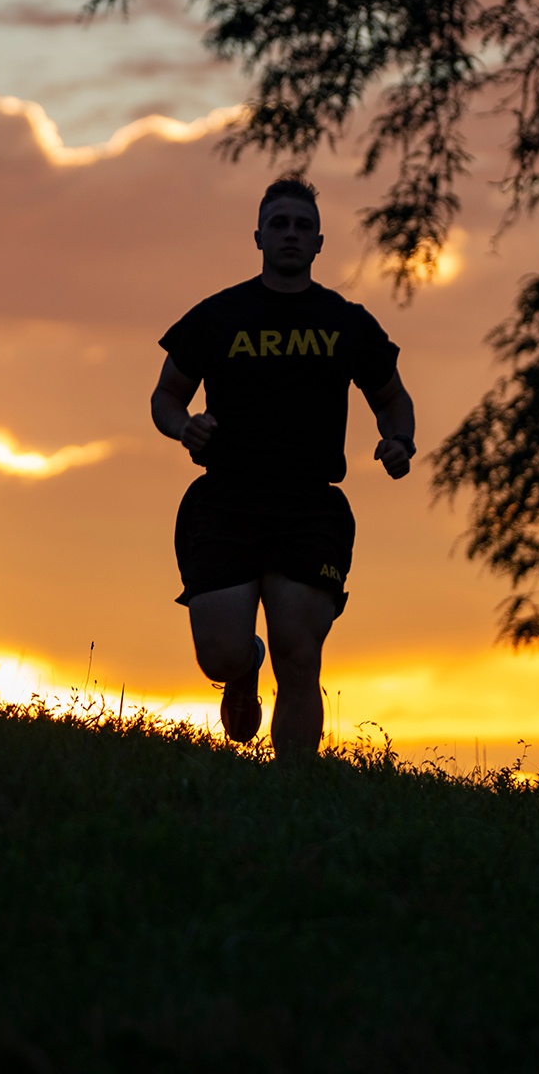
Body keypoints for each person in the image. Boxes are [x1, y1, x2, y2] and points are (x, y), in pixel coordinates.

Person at [152, 178, 416, 761]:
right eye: (279, 224)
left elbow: (393, 398)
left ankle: (294, 788)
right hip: (226, 500)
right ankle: (244, 665)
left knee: (299, 656)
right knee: (218, 655)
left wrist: (399, 440)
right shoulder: (218, 316)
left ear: (319, 242)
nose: (291, 234)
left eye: (303, 226)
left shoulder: (346, 322)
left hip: (309, 506)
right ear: (259, 237)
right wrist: (183, 426)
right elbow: (166, 396)